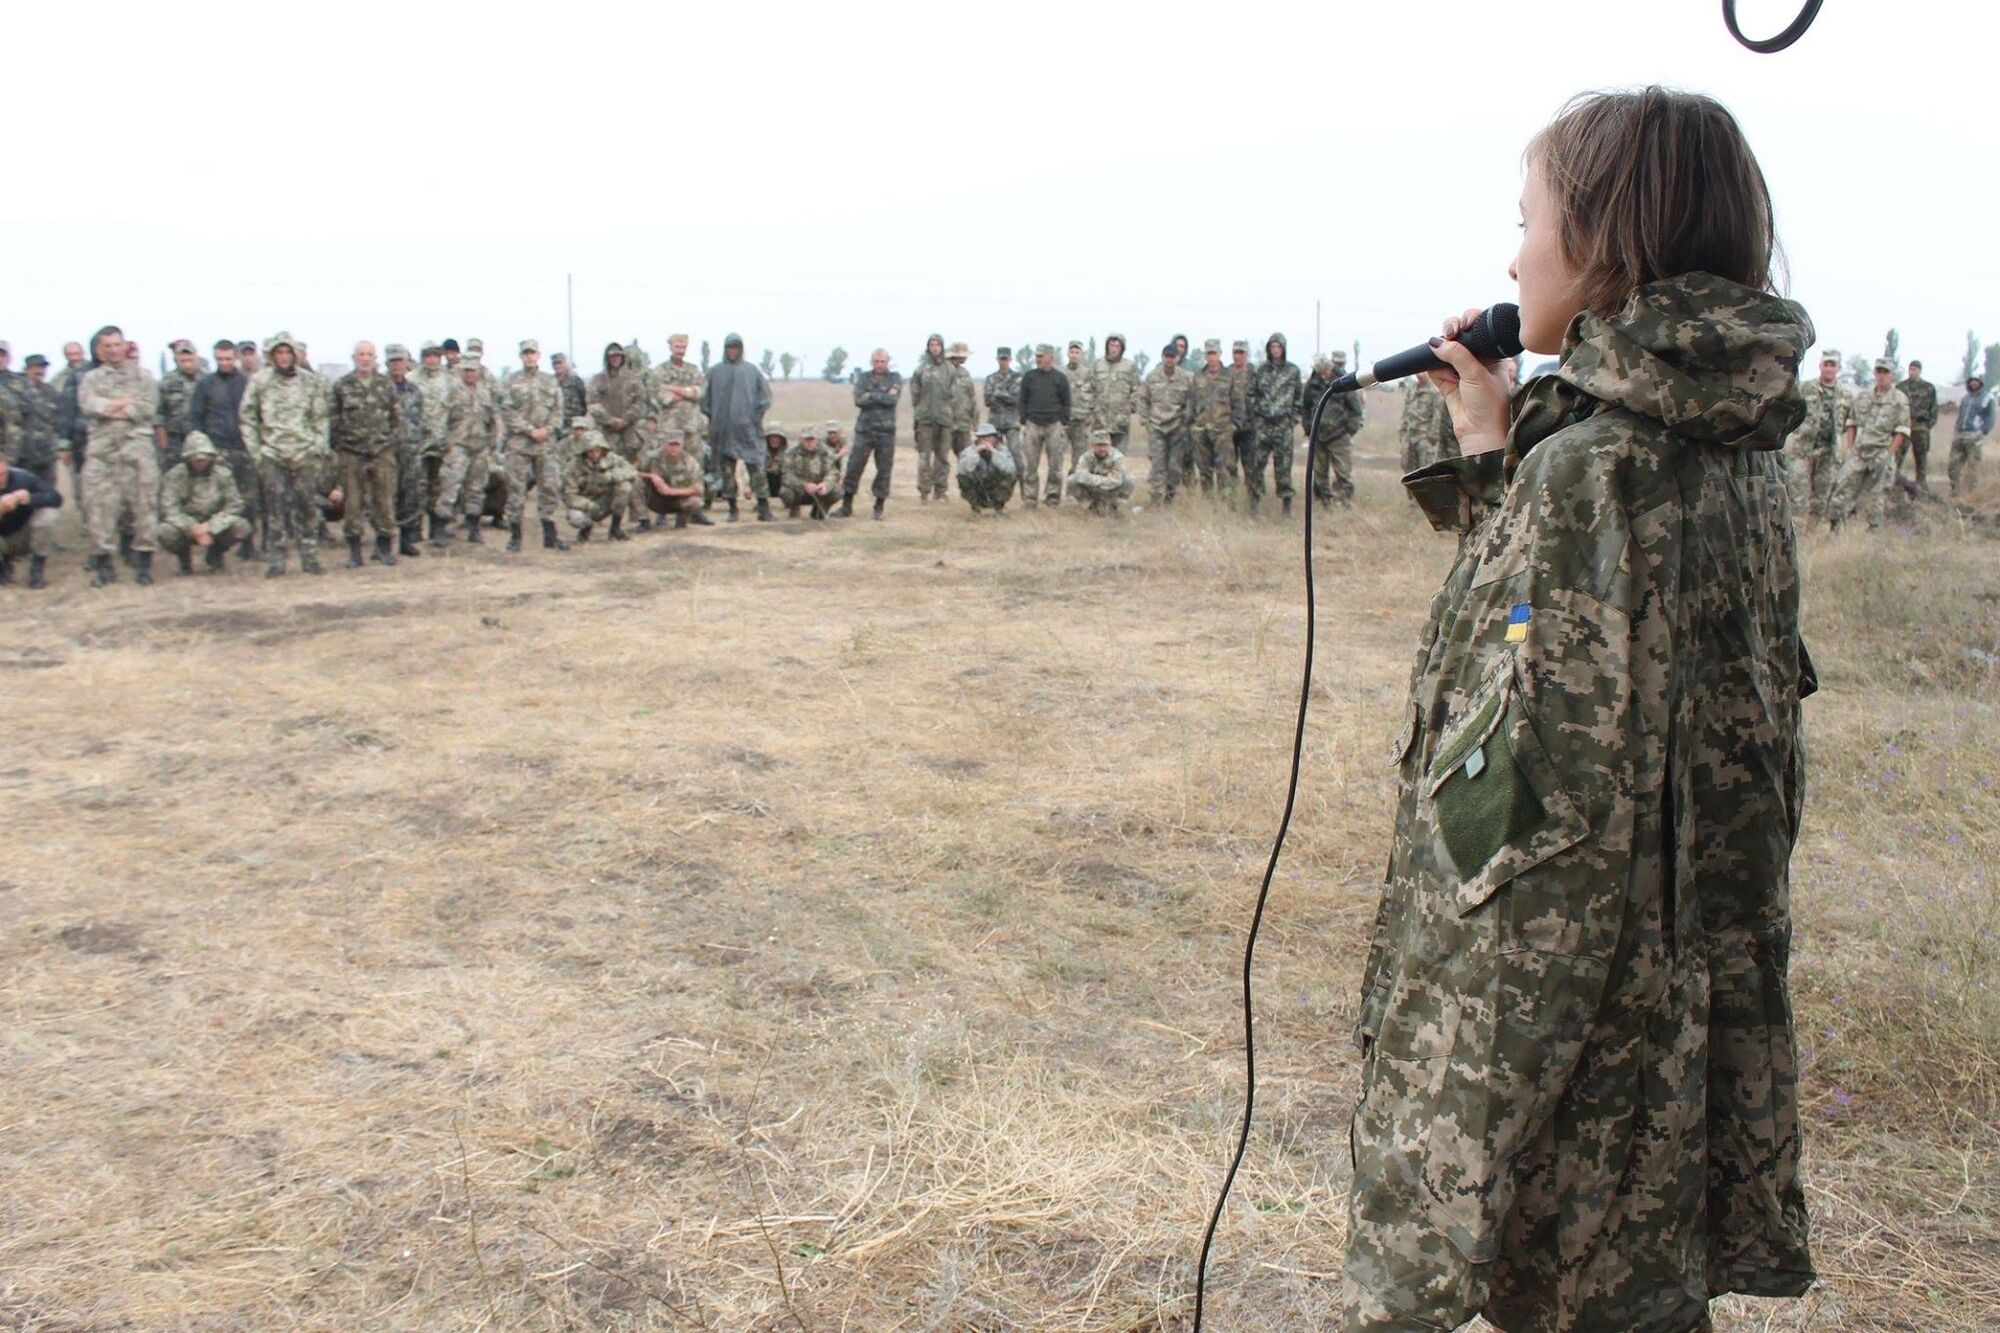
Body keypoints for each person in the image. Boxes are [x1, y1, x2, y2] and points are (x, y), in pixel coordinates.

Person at [1344, 88, 1816, 1333]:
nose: (1509, 255)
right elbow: (1613, 660)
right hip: (1673, 1016)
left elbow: (1514, 826)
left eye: (1526, 218)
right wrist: (1496, 442)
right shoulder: (1726, 440)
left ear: (1606, 242)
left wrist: (1438, 1132)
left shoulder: (1595, 468)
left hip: (1583, 1051)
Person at [240, 331, 332, 577]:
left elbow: (320, 418)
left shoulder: (310, 382)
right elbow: (247, 418)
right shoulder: (260, 381)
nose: (283, 357)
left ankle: (309, 557)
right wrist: (257, 452)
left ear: (294, 354)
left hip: (304, 453)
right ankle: (276, 560)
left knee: (307, 507)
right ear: (271, 355)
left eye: (287, 352)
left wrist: (317, 448)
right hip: (273, 454)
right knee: (275, 508)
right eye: (278, 352)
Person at [76, 325, 162, 586]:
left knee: (143, 506)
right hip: (103, 453)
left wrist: (110, 406)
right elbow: (89, 406)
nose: (113, 350)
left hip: (137, 451)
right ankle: (104, 565)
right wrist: (123, 403)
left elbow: (147, 408)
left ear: (126, 346)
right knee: (99, 509)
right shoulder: (91, 379)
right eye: (108, 346)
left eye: (117, 344)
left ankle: (143, 565)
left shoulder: (143, 377)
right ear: (101, 351)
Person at [328, 340, 404, 567]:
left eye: (369, 354)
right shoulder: (342, 386)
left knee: (384, 503)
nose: (365, 358)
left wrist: (390, 445)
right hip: (352, 454)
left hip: (381, 453)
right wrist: (340, 448)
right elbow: (333, 420)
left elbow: (396, 419)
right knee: (353, 504)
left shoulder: (385, 385)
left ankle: (384, 548)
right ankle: (354, 552)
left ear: (375, 358)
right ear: (354, 358)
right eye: (361, 354)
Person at [189, 339, 258, 558]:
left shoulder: (247, 383)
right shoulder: (205, 385)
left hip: (243, 448)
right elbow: (196, 418)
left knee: (249, 499)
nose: (225, 363)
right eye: (220, 359)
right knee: (217, 502)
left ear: (236, 357)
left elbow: (256, 415)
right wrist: (203, 447)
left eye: (229, 358)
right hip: (216, 449)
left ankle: (248, 545)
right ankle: (215, 549)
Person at [500, 338, 569, 552]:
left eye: (532, 353)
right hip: (519, 443)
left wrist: (547, 430)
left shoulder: (550, 381)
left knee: (549, 487)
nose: (529, 357)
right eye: (525, 353)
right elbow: (507, 411)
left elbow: (558, 411)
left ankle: (550, 535)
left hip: (545, 444)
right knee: (516, 489)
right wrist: (529, 430)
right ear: (521, 356)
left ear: (539, 355)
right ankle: (515, 536)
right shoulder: (511, 381)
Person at [1828, 357, 1910, 532]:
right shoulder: (1864, 396)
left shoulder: (1899, 399)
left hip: (1882, 451)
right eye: (1879, 371)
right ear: (1874, 372)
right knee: (1843, 485)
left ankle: (1873, 529)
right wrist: (1850, 449)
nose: (1881, 376)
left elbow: (1902, 430)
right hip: (1860, 451)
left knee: (1878, 493)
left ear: (1892, 375)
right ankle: (1835, 526)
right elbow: (1851, 422)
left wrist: (1889, 453)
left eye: (1885, 372)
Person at [700, 332, 773, 521]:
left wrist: (754, 418)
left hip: (748, 430)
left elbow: (765, 398)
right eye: (729, 347)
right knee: (727, 472)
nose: (733, 351)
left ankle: (764, 507)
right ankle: (732, 508)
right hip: (722, 432)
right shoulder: (715, 372)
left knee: (756, 467)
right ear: (725, 350)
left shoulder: (752, 371)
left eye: (736, 347)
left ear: (741, 349)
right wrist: (716, 418)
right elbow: (704, 401)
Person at [155, 431, 250, 574]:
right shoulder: (175, 476)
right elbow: (169, 508)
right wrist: (192, 527)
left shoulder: (223, 474)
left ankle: (215, 554)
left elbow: (234, 505)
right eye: (196, 459)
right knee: (164, 531)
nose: (200, 463)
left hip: (214, 523)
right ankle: (184, 558)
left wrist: (211, 526)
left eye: (204, 459)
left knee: (241, 527)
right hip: (186, 524)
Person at [432, 355, 502, 546]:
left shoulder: (485, 393)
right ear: (460, 371)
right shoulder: (451, 391)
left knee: (476, 490)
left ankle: (474, 528)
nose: (469, 374)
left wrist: (494, 442)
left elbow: (494, 420)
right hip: (458, 447)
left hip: (479, 449)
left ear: (479, 371)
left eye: (473, 370)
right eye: (466, 370)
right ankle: (440, 528)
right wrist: (444, 444)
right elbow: (439, 418)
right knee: (450, 488)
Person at [646, 333, 707, 531]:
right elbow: (661, 397)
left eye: (683, 347)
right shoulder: (659, 371)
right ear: (670, 347)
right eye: (677, 346)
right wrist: (687, 392)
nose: (680, 350)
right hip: (669, 429)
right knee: (665, 469)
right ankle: (662, 512)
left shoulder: (693, 369)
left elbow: (700, 393)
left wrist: (675, 389)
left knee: (694, 468)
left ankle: (695, 511)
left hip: (691, 428)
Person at [587, 341, 651, 526]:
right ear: (607, 358)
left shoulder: (633, 378)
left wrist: (626, 419)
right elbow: (592, 403)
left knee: (634, 474)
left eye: (618, 356)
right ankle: (601, 515)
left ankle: (640, 516)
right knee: (606, 474)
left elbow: (641, 402)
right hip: (608, 435)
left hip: (630, 434)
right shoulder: (598, 379)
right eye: (612, 356)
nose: (615, 359)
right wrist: (610, 420)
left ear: (623, 358)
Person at [1783, 348, 1850, 523]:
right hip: (1803, 449)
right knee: (1797, 492)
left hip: (1829, 452)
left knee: (1821, 495)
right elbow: (1791, 410)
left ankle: (1813, 532)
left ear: (1838, 368)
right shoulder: (1806, 388)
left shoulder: (1846, 393)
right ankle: (1795, 529)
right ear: (1820, 366)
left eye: (1832, 365)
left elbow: (1850, 422)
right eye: (1826, 364)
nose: (1829, 368)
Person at [840, 348, 902, 520]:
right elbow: (858, 400)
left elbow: (892, 401)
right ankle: (846, 505)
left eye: (882, 361)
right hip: (864, 430)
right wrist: (882, 394)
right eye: (876, 361)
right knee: (854, 466)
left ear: (888, 362)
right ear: (871, 362)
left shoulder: (895, 378)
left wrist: (871, 395)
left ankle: (879, 506)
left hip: (886, 432)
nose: (879, 365)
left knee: (884, 470)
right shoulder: (863, 378)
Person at [1246, 332, 1301, 516]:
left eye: (1279, 347)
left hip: (1283, 426)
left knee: (1283, 466)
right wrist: (1257, 415)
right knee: (1256, 464)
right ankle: (1254, 502)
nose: (1276, 350)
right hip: (1263, 425)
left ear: (1284, 348)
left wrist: (1292, 419)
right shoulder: (1261, 370)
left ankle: (1286, 505)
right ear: (1268, 349)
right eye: (1272, 347)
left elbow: (1298, 399)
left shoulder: (1293, 371)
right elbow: (1251, 394)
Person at [1136, 340, 1196, 505]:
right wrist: (1145, 420)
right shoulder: (1152, 376)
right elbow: (1142, 398)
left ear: (1178, 358)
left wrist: (1186, 419)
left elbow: (1192, 400)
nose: (1169, 359)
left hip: (1177, 427)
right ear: (1162, 357)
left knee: (1175, 466)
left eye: (1173, 356)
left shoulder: (1187, 377)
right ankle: (1156, 499)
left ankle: (1170, 497)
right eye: (1167, 356)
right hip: (1156, 426)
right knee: (1158, 465)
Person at [1304, 351, 1365, 507]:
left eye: (1326, 372)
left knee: (1343, 472)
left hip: (1340, 436)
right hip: (1318, 436)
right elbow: (1305, 407)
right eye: (1321, 373)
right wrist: (1309, 428)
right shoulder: (1313, 383)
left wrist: (1349, 430)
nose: (1324, 375)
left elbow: (1356, 410)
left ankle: (1344, 502)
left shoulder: (1344, 382)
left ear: (1330, 368)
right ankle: (1324, 502)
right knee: (1319, 472)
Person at [562, 422, 637, 542]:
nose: (594, 454)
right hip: (586, 504)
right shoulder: (573, 467)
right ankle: (585, 529)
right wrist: (588, 505)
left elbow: (632, 471)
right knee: (575, 517)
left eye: (597, 450)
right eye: (590, 451)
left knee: (625, 486)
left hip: (606, 500)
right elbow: (568, 495)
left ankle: (615, 528)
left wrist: (611, 476)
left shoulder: (612, 458)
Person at [1018, 343, 1072, 509]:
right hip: (1033, 424)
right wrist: (1024, 419)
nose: (1038, 359)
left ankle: (1053, 498)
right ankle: (1030, 500)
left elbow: (1067, 401)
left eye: (1041, 356)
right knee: (1030, 465)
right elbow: (1022, 399)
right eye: (1037, 356)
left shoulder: (1060, 378)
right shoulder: (1029, 377)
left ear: (1050, 357)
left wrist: (1062, 421)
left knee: (1055, 465)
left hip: (1054, 425)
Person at [1189, 339, 1242, 501]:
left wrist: (1235, 425)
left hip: (1223, 431)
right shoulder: (1198, 377)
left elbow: (1238, 402)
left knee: (1225, 469)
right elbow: (1191, 402)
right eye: (1209, 354)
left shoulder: (1230, 376)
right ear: (1205, 355)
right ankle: (1209, 503)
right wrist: (1192, 425)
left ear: (1220, 354)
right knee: (1204, 469)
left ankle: (1227, 504)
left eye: (1214, 353)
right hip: (1201, 431)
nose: (1212, 358)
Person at [0, 460, 61, 589]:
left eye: (2, 474)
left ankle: (37, 568)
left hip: (24, 535)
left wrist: (31, 498)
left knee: (48, 514)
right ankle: (3, 566)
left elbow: (56, 498)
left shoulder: (23, 478)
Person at [909, 333, 956, 503]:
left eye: (937, 344)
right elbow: (914, 394)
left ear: (942, 347)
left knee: (942, 457)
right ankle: (924, 492)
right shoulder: (920, 370)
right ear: (928, 347)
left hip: (944, 419)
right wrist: (920, 412)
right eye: (932, 344)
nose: (935, 347)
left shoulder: (950, 369)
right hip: (925, 419)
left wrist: (950, 413)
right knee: (924, 457)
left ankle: (940, 491)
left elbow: (954, 394)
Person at [640, 431, 713, 528]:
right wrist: (653, 476)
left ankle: (683, 519)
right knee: (637, 483)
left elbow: (698, 489)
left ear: (682, 445)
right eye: (671, 444)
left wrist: (671, 491)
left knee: (696, 502)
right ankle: (644, 521)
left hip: (677, 500)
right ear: (665, 445)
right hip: (655, 499)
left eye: (677, 445)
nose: (673, 448)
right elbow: (633, 471)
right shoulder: (653, 457)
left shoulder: (690, 462)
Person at [10, 355, 64, 488]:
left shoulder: (50, 391)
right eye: (36, 367)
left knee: (46, 492)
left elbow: (59, 419)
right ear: (27, 369)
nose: (40, 371)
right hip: (23, 454)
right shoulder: (16, 390)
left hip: (47, 455)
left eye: (43, 367)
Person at [157, 339, 204, 469]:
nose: (187, 365)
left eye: (190, 360)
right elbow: (159, 416)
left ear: (196, 358)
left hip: (202, 441)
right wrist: (164, 445)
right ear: (176, 361)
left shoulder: (207, 380)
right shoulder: (167, 382)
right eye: (183, 361)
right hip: (175, 442)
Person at [779, 422, 840, 519]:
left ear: (817, 440)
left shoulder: (826, 452)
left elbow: (832, 472)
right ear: (801, 440)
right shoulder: (791, 453)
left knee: (837, 491)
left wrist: (825, 485)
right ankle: (794, 508)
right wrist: (804, 485)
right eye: (807, 439)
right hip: (799, 491)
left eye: (812, 439)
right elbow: (787, 476)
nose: (809, 442)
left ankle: (819, 510)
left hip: (818, 490)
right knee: (786, 492)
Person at [1066, 428, 1134, 515]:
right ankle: (1090, 506)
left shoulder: (1117, 457)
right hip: (1093, 489)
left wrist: (1091, 477)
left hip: (1111, 490)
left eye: (1105, 445)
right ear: (1093, 446)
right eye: (1099, 445)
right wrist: (1104, 479)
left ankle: (1117, 505)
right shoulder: (1086, 457)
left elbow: (1117, 480)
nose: (1102, 449)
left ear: (1110, 445)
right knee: (1072, 479)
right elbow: (1080, 476)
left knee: (1129, 479)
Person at [955, 422, 1018, 515]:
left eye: (989, 437)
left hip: (995, 487)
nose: (985, 440)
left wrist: (993, 452)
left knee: (1010, 476)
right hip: (978, 486)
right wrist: (975, 453)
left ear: (995, 438)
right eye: (982, 437)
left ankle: (999, 508)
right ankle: (975, 508)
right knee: (963, 477)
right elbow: (962, 470)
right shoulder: (969, 450)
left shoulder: (1003, 450)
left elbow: (1010, 469)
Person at [1092, 333, 1140, 452]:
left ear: (1122, 348)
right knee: (1100, 457)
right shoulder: (1098, 365)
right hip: (1100, 420)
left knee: (1118, 458)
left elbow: (1136, 389)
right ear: (1107, 347)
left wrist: (1131, 407)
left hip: (1120, 421)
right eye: (1111, 345)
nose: (1114, 349)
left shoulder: (1129, 366)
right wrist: (1092, 408)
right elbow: (1090, 388)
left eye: (1117, 346)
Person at [1949, 374, 1995, 495]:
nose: (1973, 383)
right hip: (1960, 435)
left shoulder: (1988, 398)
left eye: (1976, 381)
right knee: (1953, 465)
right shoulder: (1965, 398)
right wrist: (1956, 429)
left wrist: (1983, 432)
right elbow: (1960, 415)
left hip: (1974, 436)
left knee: (1973, 467)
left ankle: (1971, 494)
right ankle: (1955, 491)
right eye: (1971, 381)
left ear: (1981, 383)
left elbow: (1990, 418)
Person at [1063, 339, 1097, 497]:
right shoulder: (1061, 373)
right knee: (1057, 458)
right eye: (1072, 352)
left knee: (1079, 460)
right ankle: (1055, 492)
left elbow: (1095, 395)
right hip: (1063, 422)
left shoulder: (1088, 374)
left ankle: (1074, 492)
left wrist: (1090, 414)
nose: (1074, 355)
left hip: (1081, 422)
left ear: (1081, 354)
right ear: (1068, 353)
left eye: (1077, 352)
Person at [1897, 359, 1938, 487]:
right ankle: (1894, 480)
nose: (1912, 372)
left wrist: (1927, 426)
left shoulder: (1928, 387)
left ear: (1920, 371)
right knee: (1897, 454)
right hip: (1904, 426)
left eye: (1914, 369)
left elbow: (1934, 408)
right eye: (1910, 369)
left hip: (1920, 427)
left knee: (1921, 458)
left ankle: (1921, 484)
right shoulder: (1901, 387)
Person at [983, 346, 1023, 471]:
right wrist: (1006, 396)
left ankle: (1022, 483)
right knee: (994, 453)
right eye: (1001, 359)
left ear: (1010, 359)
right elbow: (988, 400)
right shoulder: (991, 378)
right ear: (997, 359)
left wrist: (999, 394)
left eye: (1005, 359)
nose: (1003, 361)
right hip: (995, 424)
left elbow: (1017, 399)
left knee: (1015, 453)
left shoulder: (1018, 378)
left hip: (1012, 423)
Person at [947, 341, 977, 467]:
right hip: (946, 423)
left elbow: (971, 397)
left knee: (967, 457)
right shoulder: (944, 372)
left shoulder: (965, 373)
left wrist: (974, 420)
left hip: (963, 424)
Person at [551, 352, 588, 425]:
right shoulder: (550, 382)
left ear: (565, 363)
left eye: (559, 363)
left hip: (574, 425)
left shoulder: (576, 381)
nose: (557, 366)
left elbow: (584, 403)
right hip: (556, 424)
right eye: (555, 364)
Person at [762, 422, 790, 501]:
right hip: (765, 482)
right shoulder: (760, 452)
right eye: (772, 437)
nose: (775, 440)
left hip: (782, 482)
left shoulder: (789, 452)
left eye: (777, 437)